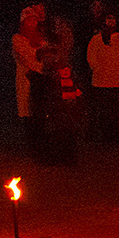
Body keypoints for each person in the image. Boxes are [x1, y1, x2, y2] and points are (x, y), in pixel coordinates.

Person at [36, 12, 83, 164]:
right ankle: (57, 154)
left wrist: (77, 95)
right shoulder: (47, 46)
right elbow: (42, 58)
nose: (59, 28)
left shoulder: (64, 54)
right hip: (53, 86)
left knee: (66, 122)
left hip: (64, 87)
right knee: (56, 122)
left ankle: (67, 155)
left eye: (61, 26)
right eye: (56, 25)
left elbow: (63, 56)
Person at [86, 10, 119, 143]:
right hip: (103, 81)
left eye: (113, 18)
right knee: (105, 111)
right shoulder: (96, 39)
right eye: (108, 18)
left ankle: (117, 136)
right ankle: (106, 136)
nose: (111, 21)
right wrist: (98, 69)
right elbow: (91, 57)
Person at [12, 3, 48, 150]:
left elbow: (48, 55)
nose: (32, 23)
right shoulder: (18, 39)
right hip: (27, 80)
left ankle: (42, 143)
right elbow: (27, 59)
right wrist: (43, 66)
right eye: (29, 21)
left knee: (41, 111)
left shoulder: (42, 39)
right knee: (28, 110)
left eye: (34, 20)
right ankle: (32, 144)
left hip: (42, 81)